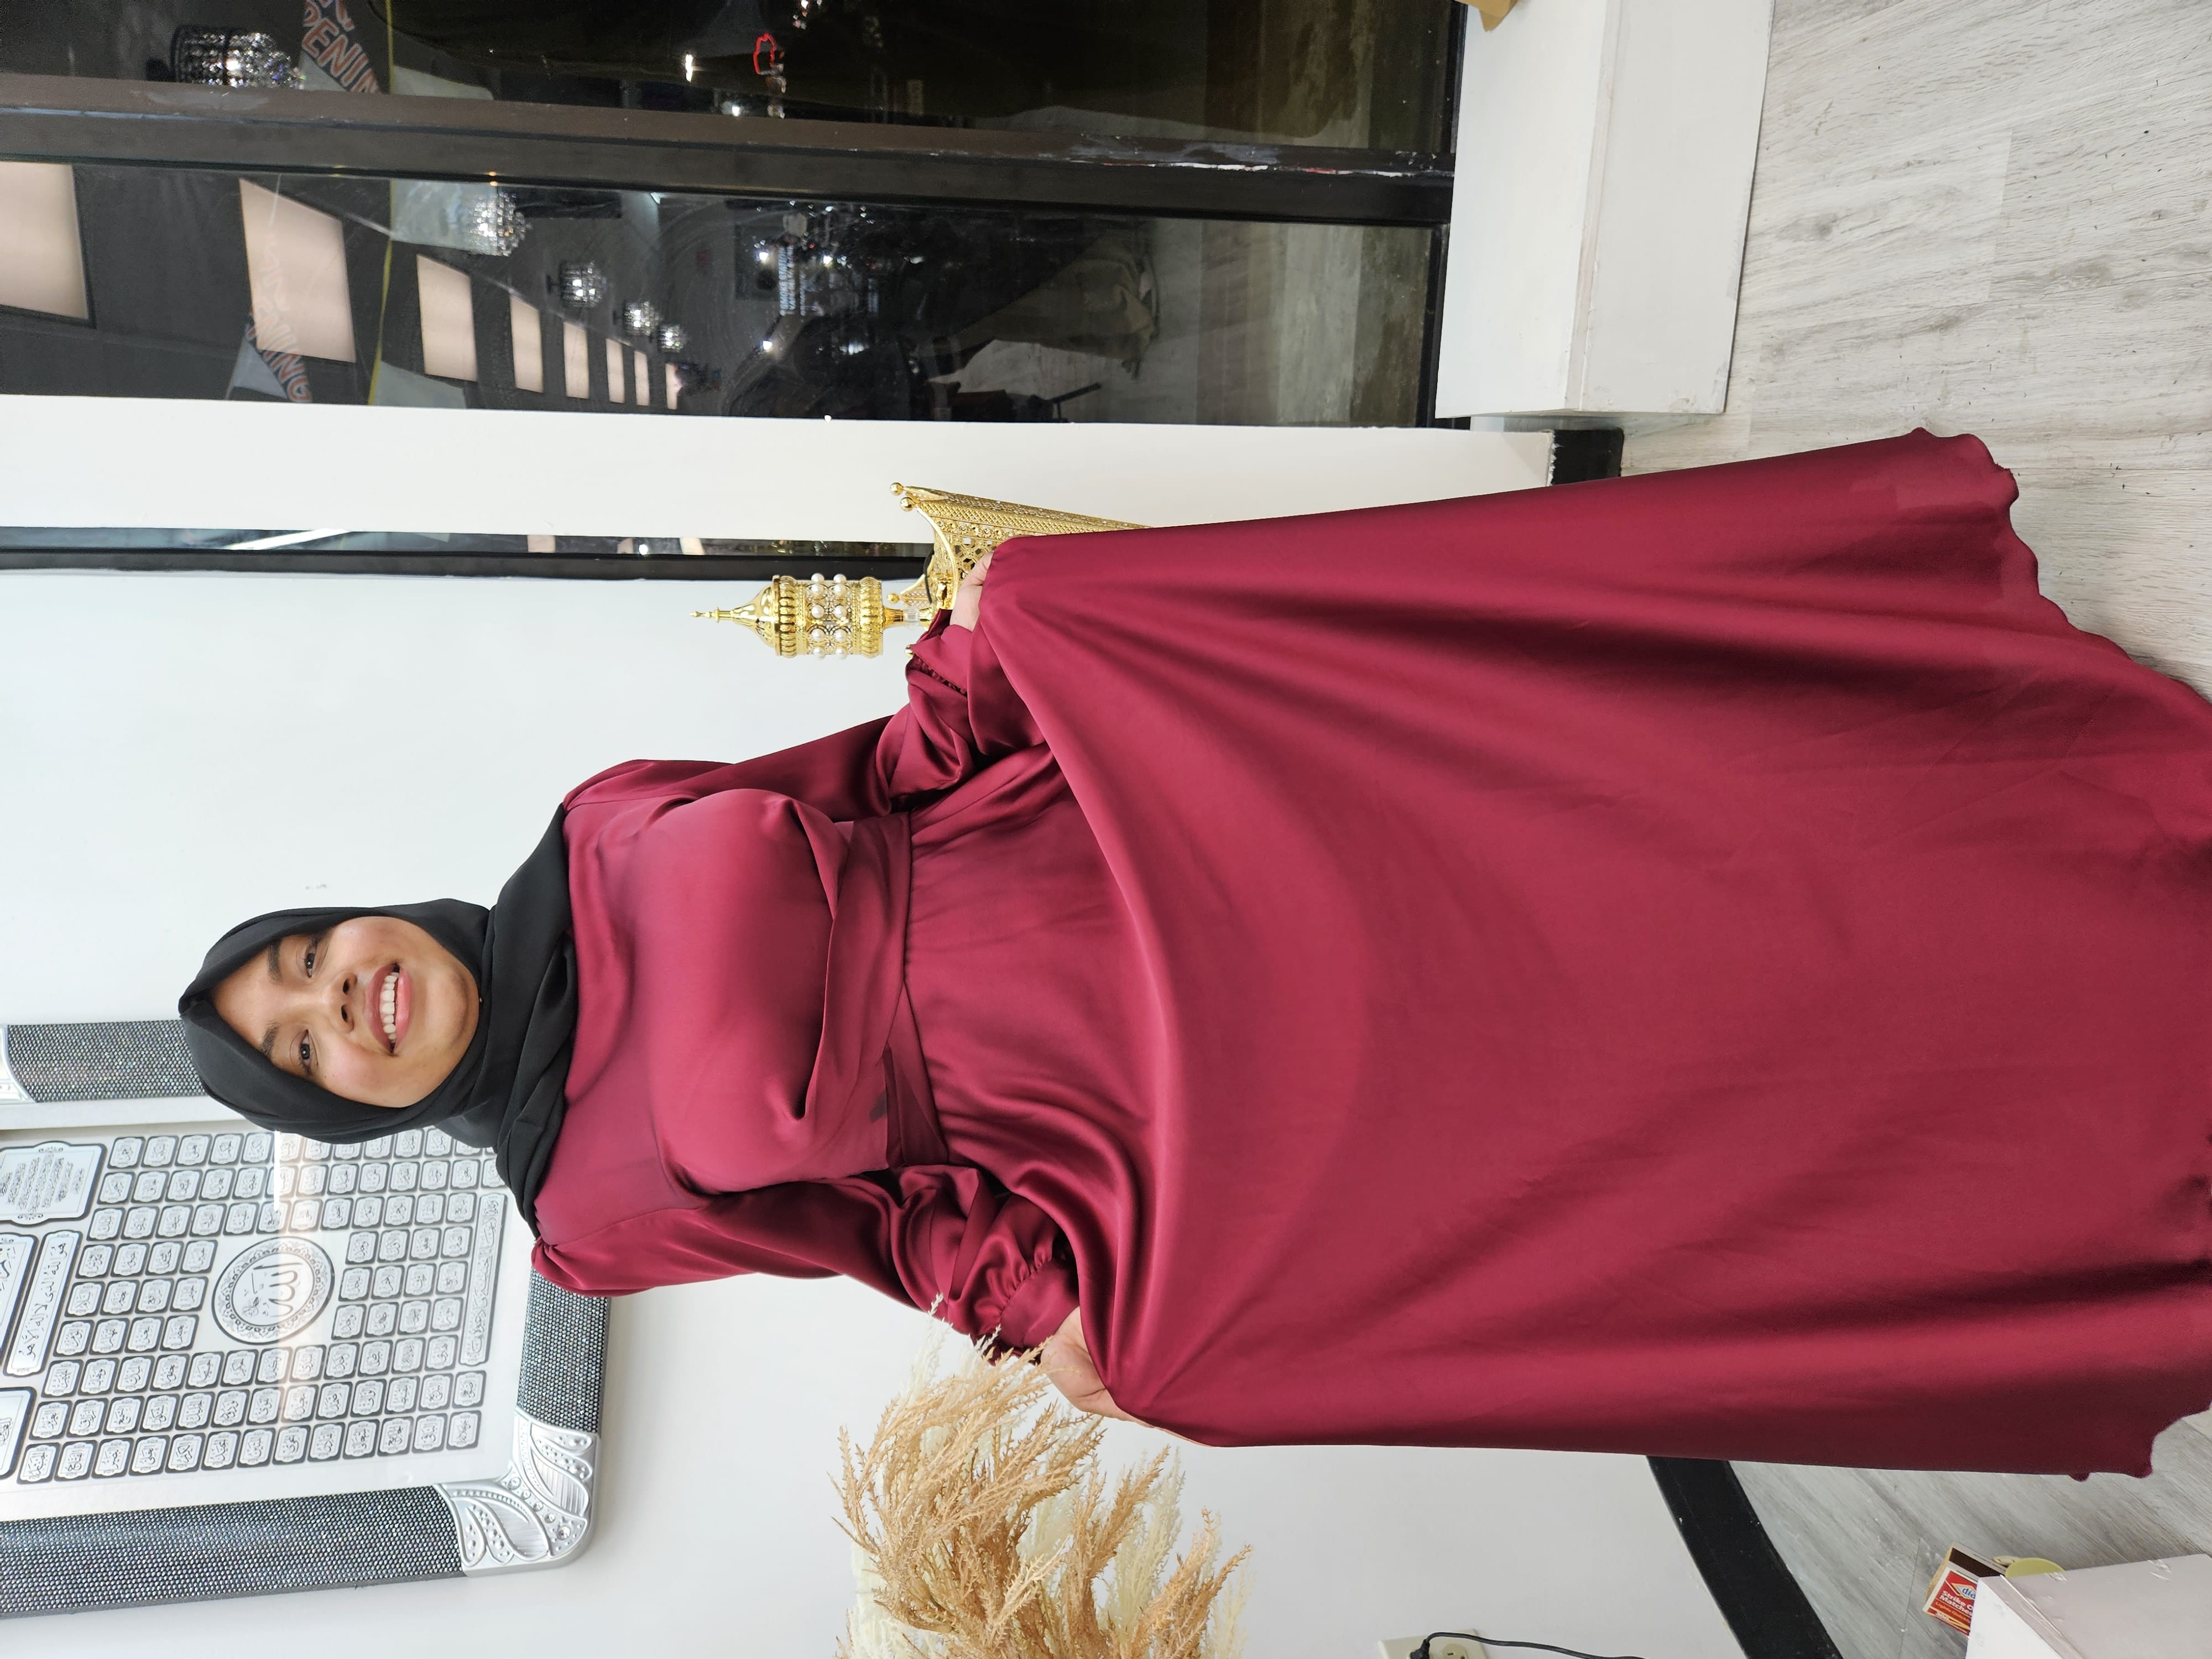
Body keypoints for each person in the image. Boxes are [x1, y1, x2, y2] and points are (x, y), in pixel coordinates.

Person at [181, 432, 2212, 1474]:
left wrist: (1005, 646)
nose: (335, 998)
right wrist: (1057, 1315)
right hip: (1138, 1124)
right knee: (1629, 1092)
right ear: (353, 1106)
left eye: (305, 959)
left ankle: (2036, 824)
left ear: (351, 916)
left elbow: (875, 773)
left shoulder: (599, 822)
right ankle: (2082, 1159)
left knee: (1647, 886)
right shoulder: (584, 1219)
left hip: (1128, 845)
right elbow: (886, 1229)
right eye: (306, 1047)